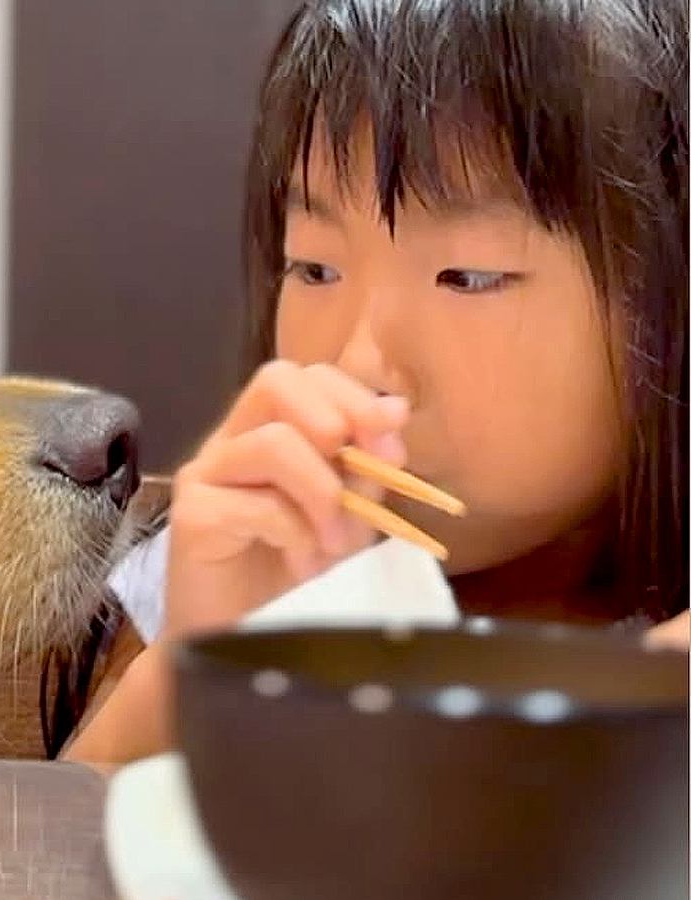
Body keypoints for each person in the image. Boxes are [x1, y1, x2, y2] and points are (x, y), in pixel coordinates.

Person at [65, 0, 689, 764]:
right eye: (315, 267)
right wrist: (196, 670)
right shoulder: (227, 563)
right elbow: (36, 866)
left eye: (468, 276)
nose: (358, 363)